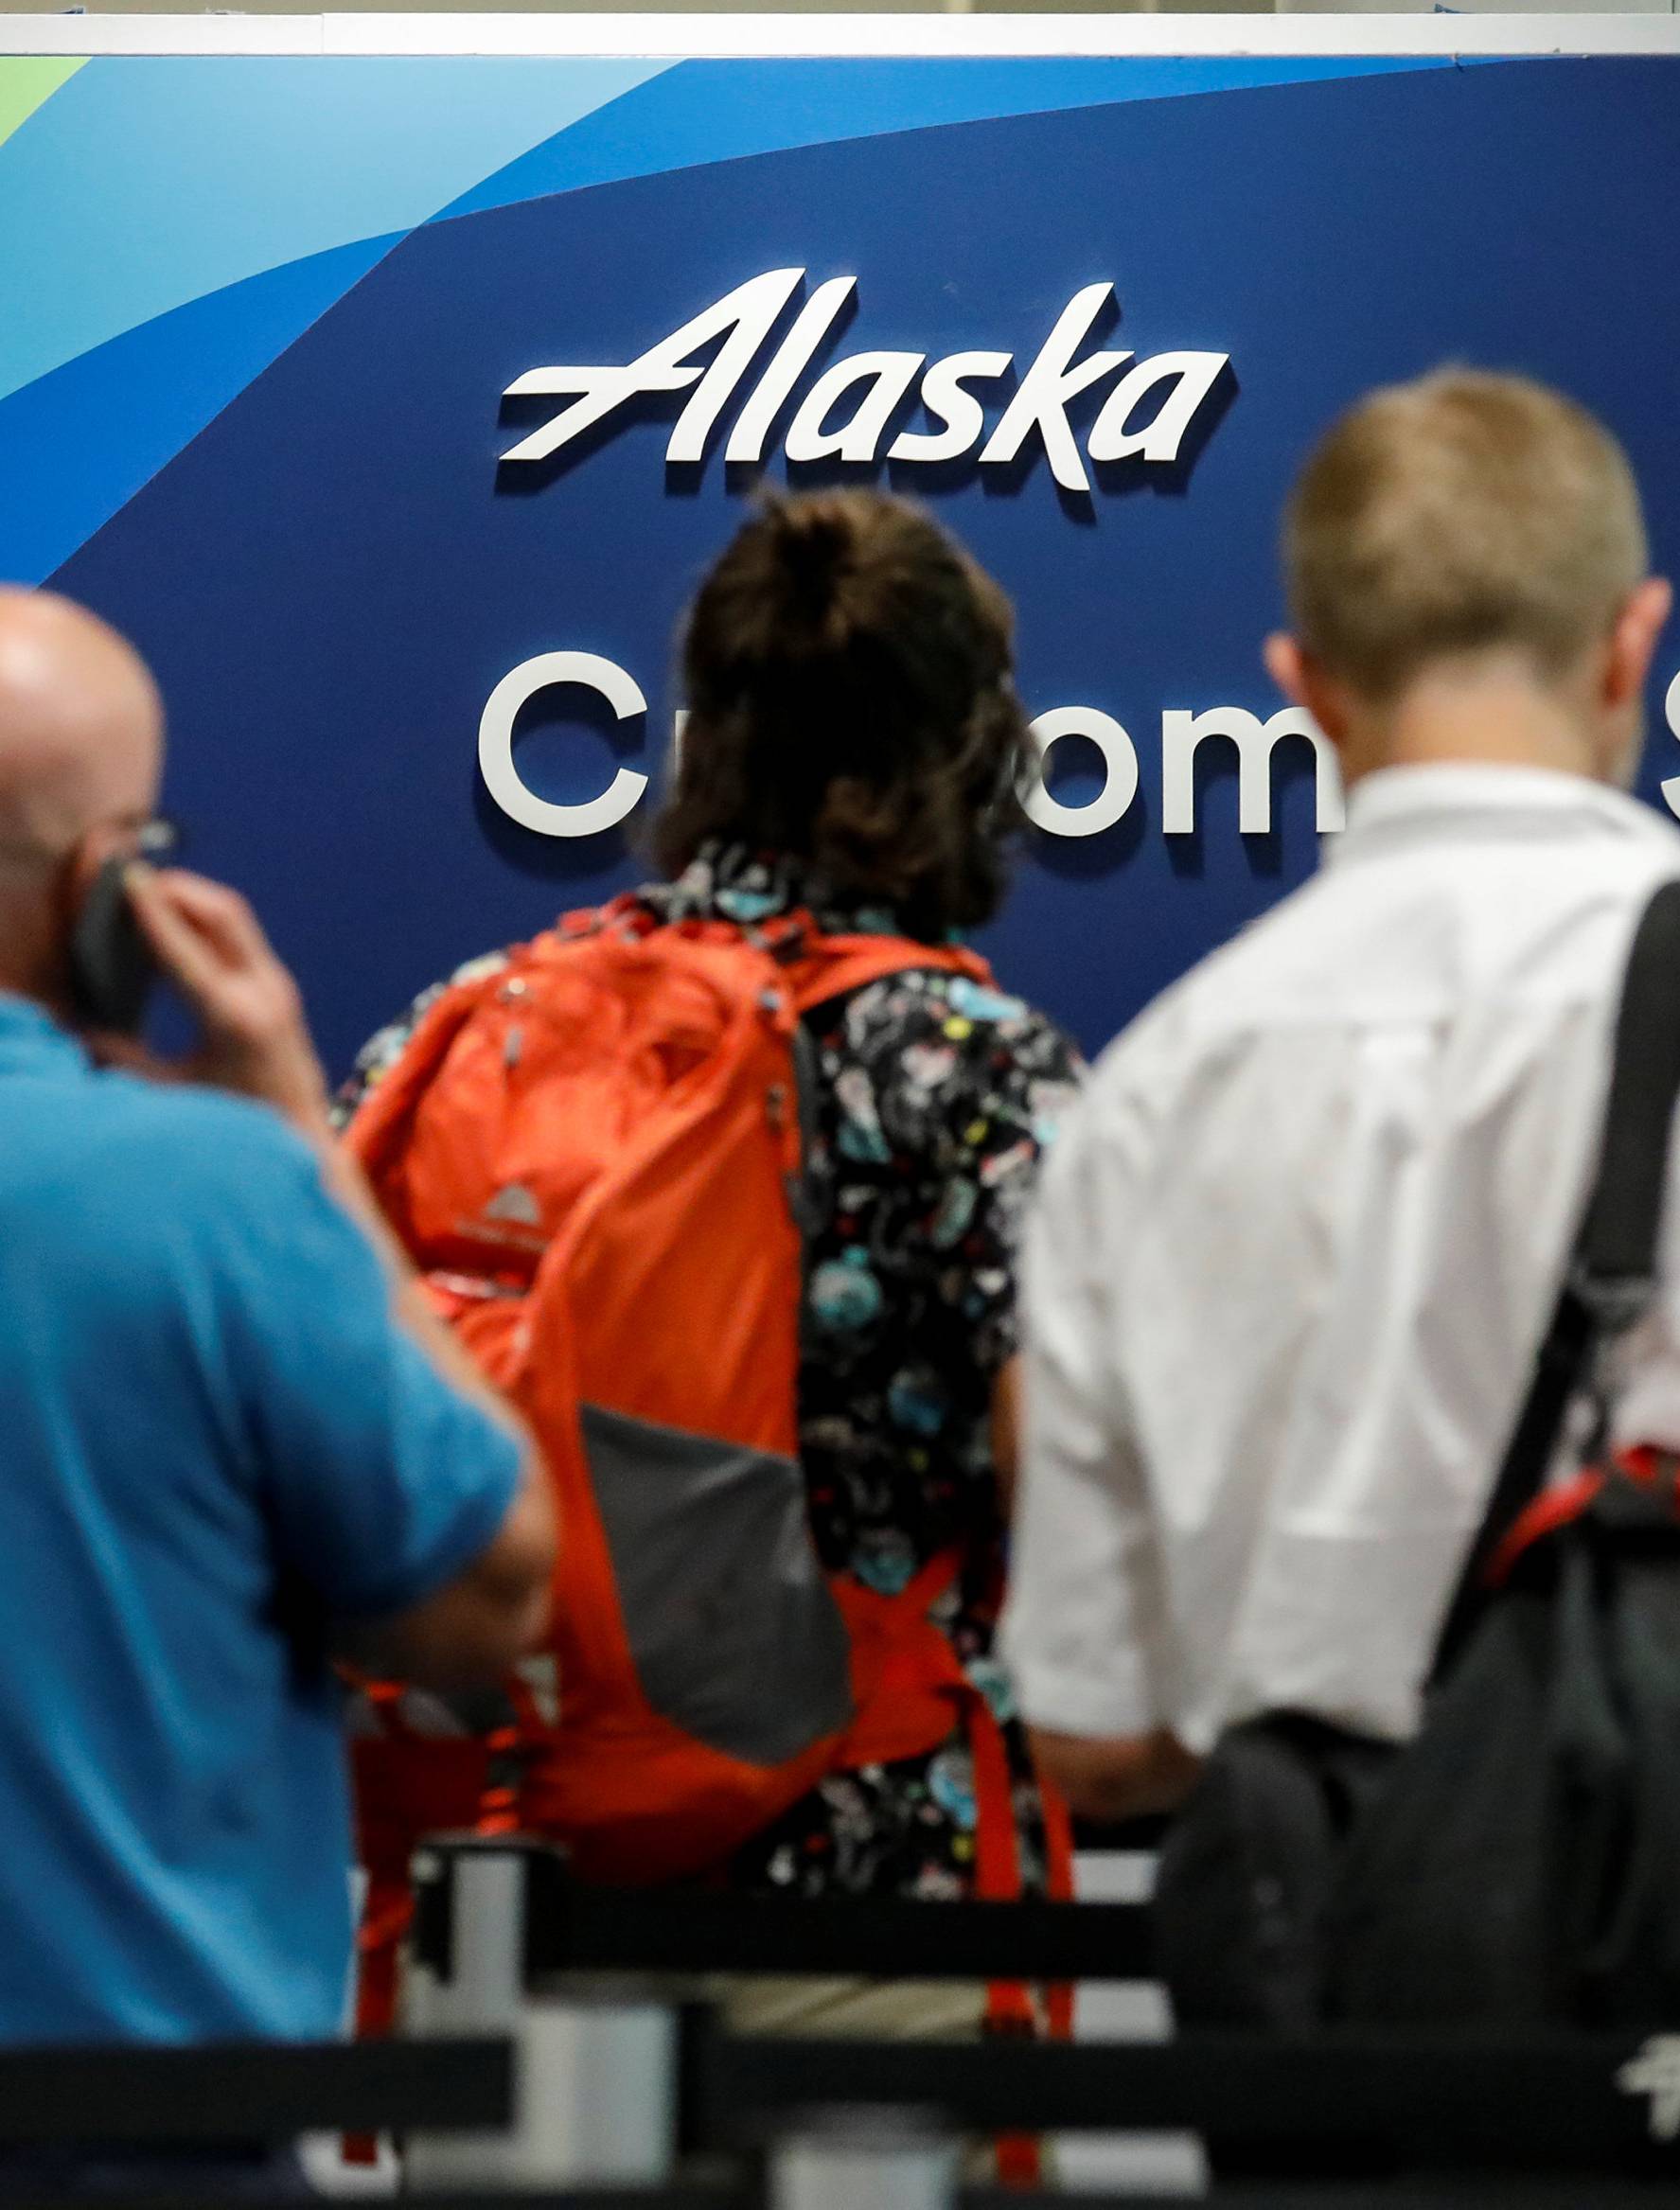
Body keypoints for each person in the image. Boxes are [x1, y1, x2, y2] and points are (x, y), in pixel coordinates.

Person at [1003, 367, 1680, 1827]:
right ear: (1632, 651)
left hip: (1316, 2002)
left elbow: (1092, 1739)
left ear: (1304, 687)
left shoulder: (1148, 1099)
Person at [342, 490, 1082, 2028]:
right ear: (969, 752)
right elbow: (1080, 1504)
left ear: (708, 736)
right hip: (868, 1913)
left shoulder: (477, 1022)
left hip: (516, 1890)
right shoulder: (974, 1074)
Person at [0, 590, 554, 2166]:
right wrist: (303, 1130)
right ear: (116, 888)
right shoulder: (216, 1196)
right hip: (140, 2136)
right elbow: (489, 1588)